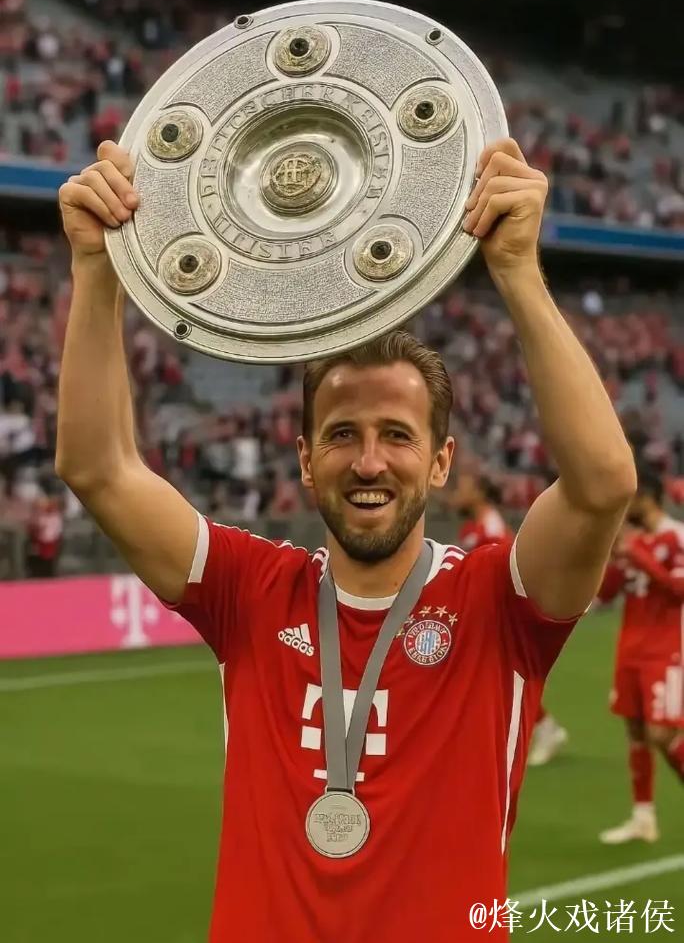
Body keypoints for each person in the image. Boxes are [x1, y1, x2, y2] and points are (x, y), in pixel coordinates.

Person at [56, 137, 636, 942]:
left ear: (441, 462)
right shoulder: (249, 591)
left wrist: (517, 273)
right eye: (341, 435)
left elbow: (603, 485)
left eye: (397, 435)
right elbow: (98, 468)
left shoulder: (499, 601)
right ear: (304, 460)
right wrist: (96, 272)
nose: (369, 462)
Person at [454, 470, 568, 766]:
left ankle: (542, 728)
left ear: (479, 492)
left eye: (464, 486)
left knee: (495, 678)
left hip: (491, 614)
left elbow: (505, 570)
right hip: (474, 612)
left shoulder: (492, 528)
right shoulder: (473, 526)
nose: (457, 493)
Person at [598, 468, 684, 845]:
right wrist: (612, 555)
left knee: (662, 734)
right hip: (630, 647)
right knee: (635, 730)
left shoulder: (675, 536)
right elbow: (605, 595)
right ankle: (643, 817)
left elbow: (679, 590)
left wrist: (639, 554)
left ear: (647, 497)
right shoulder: (631, 539)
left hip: (666, 649)